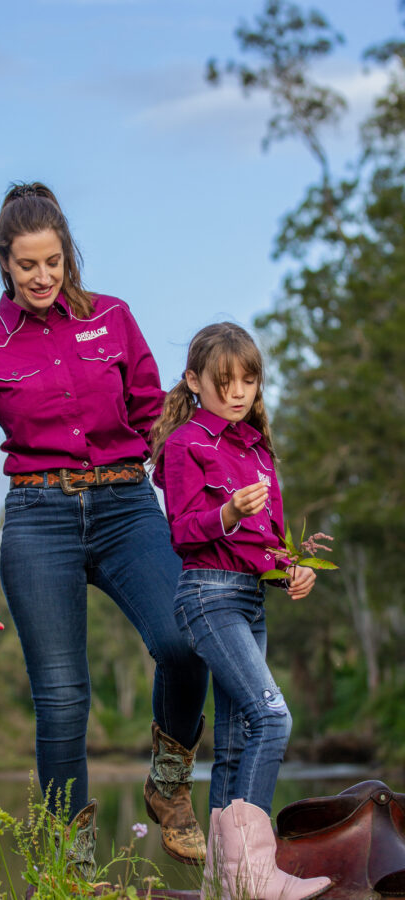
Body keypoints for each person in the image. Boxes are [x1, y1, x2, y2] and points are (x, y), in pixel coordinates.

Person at [0, 182, 209, 877]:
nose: (41, 277)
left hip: (125, 506)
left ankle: (169, 783)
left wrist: (208, 502)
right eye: (27, 264)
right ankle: (72, 870)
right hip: (38, 518)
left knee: (185, 642)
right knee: (62, 699)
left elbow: (159, 420)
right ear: (4, 262)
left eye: (53, 261)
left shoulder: (113, 319)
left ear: (68, 256)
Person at [150, 323, 332, 900]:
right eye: (223, 381)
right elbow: (182, 532)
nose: (237, 392)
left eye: (248, 381)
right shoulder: (185, 446)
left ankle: (225, 885)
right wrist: (226, 513)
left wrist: (292, 571)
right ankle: (255, 871)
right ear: (193, 381)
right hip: (207, 596)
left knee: (233, 745)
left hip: (249, 600)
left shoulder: (258, 449)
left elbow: (269, 546)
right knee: (273, 717)